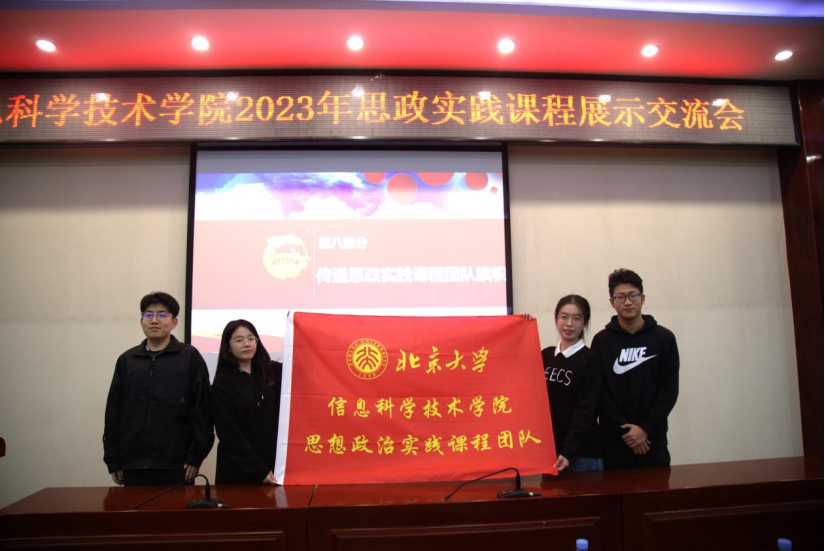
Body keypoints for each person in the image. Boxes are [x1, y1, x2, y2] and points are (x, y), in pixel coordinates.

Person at [103, 292, 214, 486]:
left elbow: (202, 410)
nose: (154, 320)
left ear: (174, 322)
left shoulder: (189, 357)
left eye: (162, 314)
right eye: (148, 314)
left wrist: (196, 456)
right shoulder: (127, 361)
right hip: (133, 463)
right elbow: (114, 412)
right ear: (141, 321)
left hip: (177, 464)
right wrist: (113, 459)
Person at [591, 269, 679, 469]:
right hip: (614, 443)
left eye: (633, 295)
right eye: (620, 297)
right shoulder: (601, 342)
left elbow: (669, 389)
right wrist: (627, 433)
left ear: (643, 298)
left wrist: (645, 428)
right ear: (612, 302)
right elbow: (599, 392)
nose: (628, 302)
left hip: (652, 442)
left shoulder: (664, 338)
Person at [523, 295, 602, 472]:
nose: (569, 324)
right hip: (551, 452)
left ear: (585, 323)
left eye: (576, 318)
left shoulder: (590, 359)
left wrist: (568, 451)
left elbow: (586, 410)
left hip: (581, 456)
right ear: (556, 319)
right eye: (564, 317)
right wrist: (521, 326)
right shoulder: (546, 355)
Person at [212, 319, 282, 485]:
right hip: (238, 471)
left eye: (251, 339)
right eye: (239, 340)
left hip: (272, 465)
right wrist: (258, 469)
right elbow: (229, 434)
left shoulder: (272, 371)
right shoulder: (222, 382)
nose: (246, 344)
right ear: (228, 347)